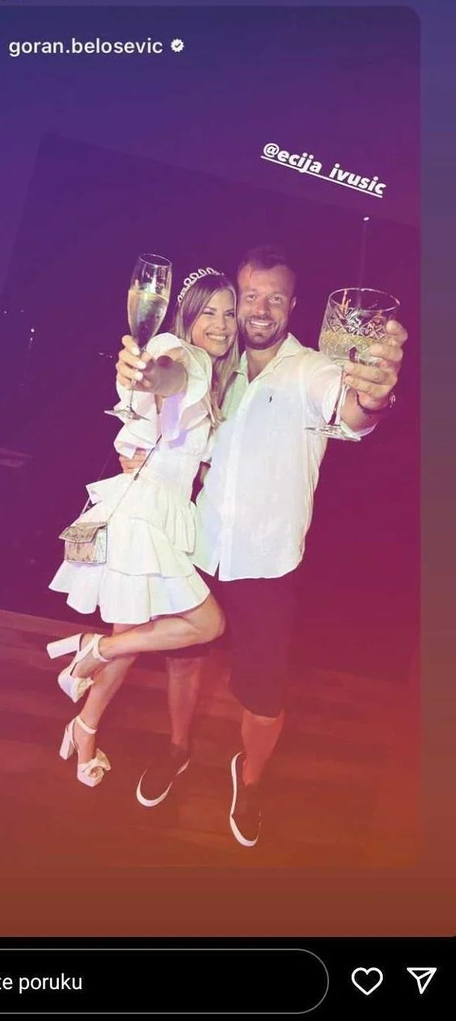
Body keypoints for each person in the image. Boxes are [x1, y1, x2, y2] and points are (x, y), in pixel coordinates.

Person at [112, 246, 408, 847]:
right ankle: (178, 748)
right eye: (251, 296)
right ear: (237, 300)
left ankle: (249, 780)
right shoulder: (214, 367)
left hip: (269, 563)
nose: (261, 309)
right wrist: (137, 383)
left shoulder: (309, 370)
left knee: (265, 697)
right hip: (199, 546)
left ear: (293, 305)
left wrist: (374, 395)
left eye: (276, 297)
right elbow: (170, 407)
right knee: (183, 663)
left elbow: (350, 410)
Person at [47, 270, 239, 787]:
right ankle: (94, 656)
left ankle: (86, 721)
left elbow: (179, 436)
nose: (221, 324)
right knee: (205, 624)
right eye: (208, 312)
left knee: (128, 637)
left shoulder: (216, 375)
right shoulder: (187, 355)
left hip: (162, 510)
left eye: (229, 313)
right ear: (187, 317)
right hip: (145, 512)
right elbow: (166, 373)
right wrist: (147, 374)